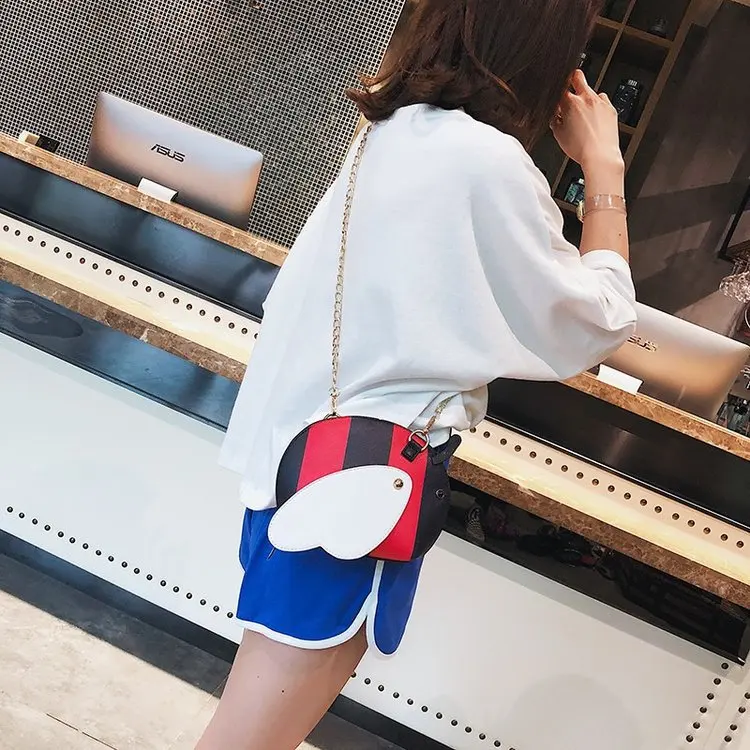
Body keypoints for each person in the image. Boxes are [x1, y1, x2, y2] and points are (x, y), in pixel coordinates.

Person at [198, 0, 636, 747]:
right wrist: (604, 167)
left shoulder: (389, 133)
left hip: (304, 465)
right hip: (363, 488)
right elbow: (600, 319)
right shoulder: (487, 163)